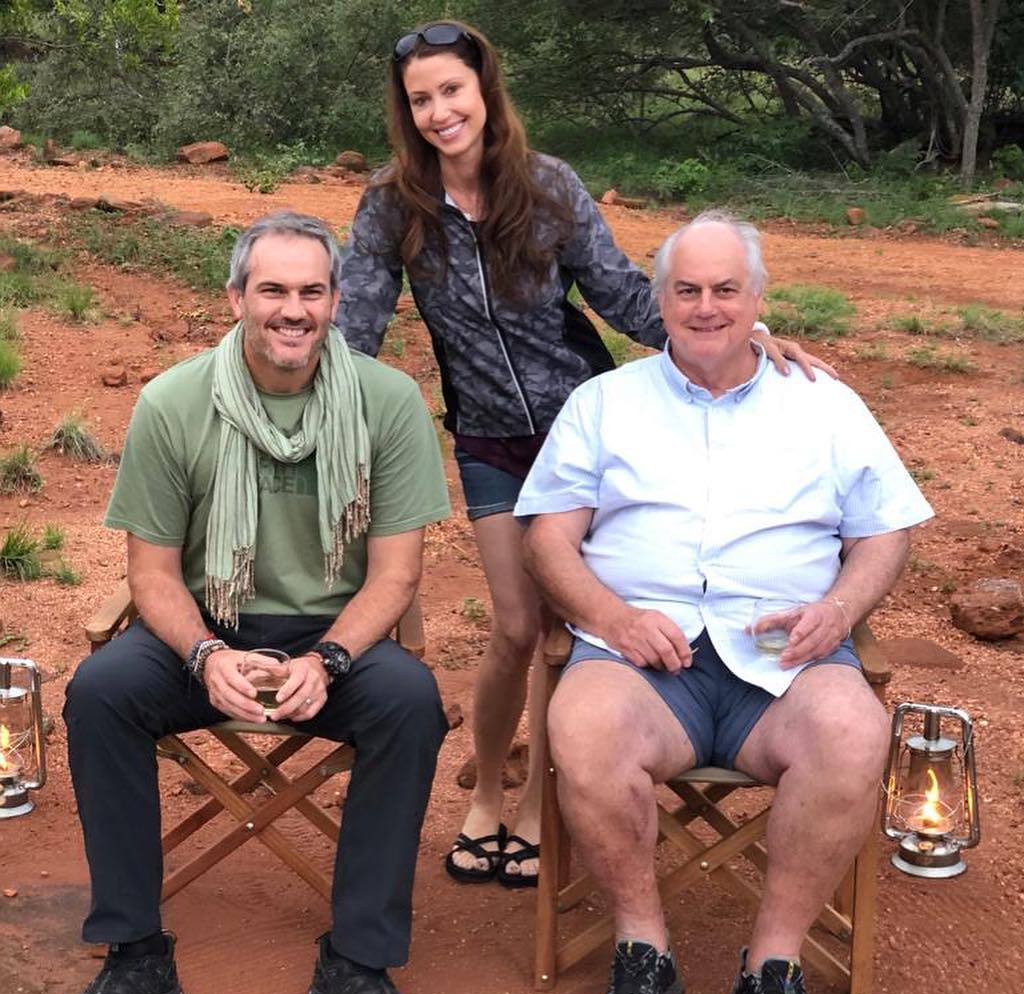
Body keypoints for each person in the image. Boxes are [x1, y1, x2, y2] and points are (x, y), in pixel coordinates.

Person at [338, 19, 829, 888]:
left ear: (485, 90)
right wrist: (308, 382)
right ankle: (489, 789)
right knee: (516, 624)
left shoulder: (550, 188)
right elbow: (359, 326)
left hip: (588, 439)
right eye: (421, 100)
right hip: (489, 436)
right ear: (406, 113)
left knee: (568, 624)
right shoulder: (392, 206)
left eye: (453, 90)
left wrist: (744, 332)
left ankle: (538, 809)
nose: (440, 112)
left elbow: (627, 299)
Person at [515, 210, 934, 994]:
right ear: (659, 299)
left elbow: (886, 533)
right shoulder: (604, 403)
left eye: (725, 290)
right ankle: (645, 950)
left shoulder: (825, 404)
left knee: (853, 732)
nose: (706, 307)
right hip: (639, 660)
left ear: (757, 298)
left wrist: (840, 607)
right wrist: (614, 616)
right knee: (586, 726)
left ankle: (771, 965)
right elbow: (549, 543)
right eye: (687, 290)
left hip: (785, 661)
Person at [57, 211, 450, 994]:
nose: (293, 310)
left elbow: (396, 574)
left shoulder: (388, 402)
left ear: (338, 301)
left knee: (410, 703)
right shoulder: (173, 402)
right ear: (236, 297)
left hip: (331, 641)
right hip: (205, 628)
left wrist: (330, 661)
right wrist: (204, 654)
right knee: (100, 691)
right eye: (272, 289)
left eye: (312, 291)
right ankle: (134, 955)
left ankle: (357, 959)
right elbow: (151, 574)